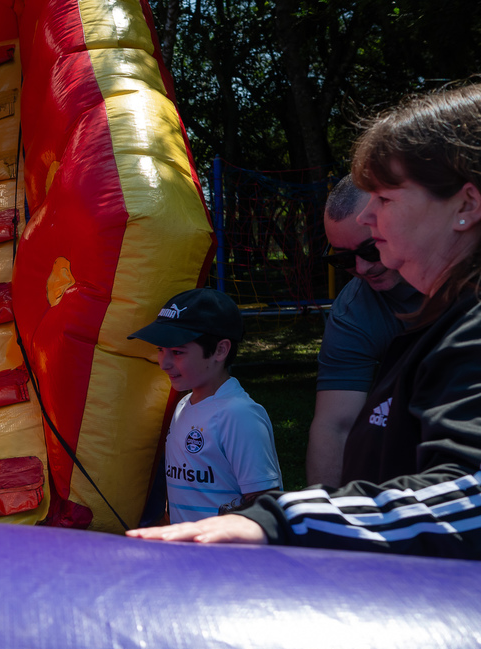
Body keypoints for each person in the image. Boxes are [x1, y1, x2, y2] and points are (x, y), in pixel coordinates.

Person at [128, 82, 481, 559]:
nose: (370, 218)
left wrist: (283, 520)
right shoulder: (430, 319)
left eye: (386, 198)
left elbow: (470, 494)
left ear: (466, 206)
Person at [128, 287, 282, 523]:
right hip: (187, 555)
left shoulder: (239, 415)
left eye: (178, 352)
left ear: (220, 350)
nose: (164, 363)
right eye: (161, 350)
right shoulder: (182, 407)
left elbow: (265, 505)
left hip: (227, 557)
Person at [306, 176, 422, 486]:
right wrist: (324, 517)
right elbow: (335, 425)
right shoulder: (354, 310)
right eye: (343, 259)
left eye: (371, 250)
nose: (361, 268)